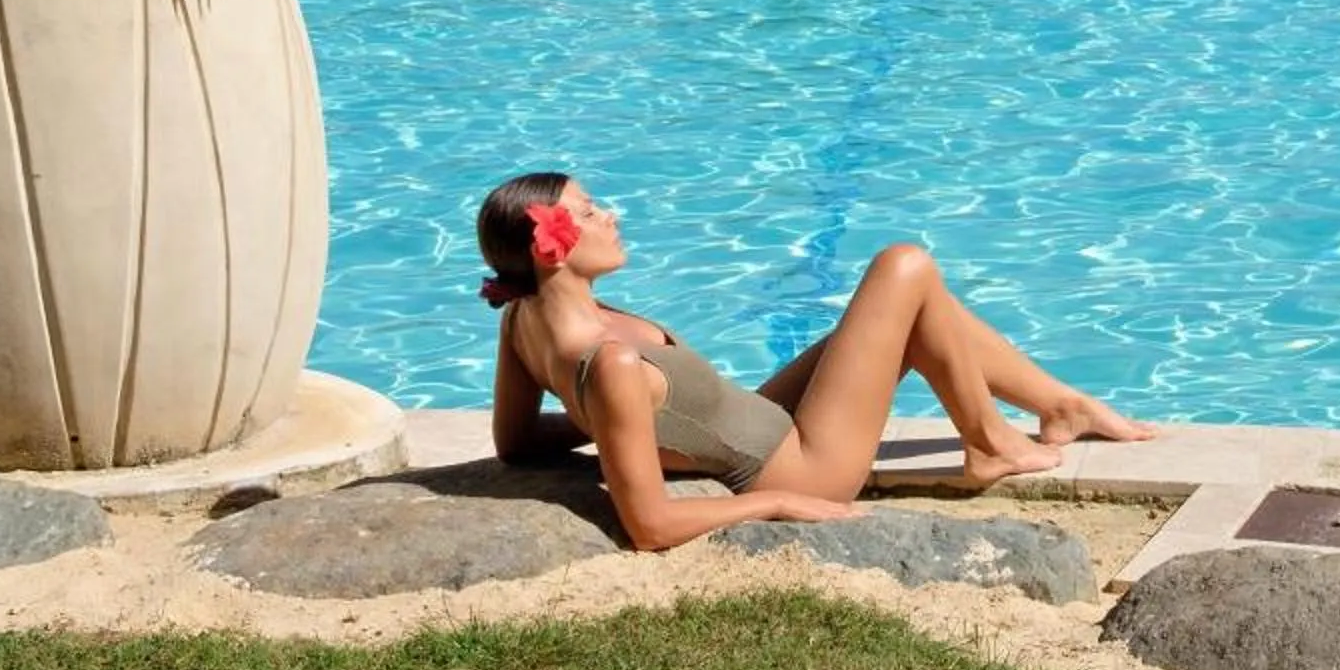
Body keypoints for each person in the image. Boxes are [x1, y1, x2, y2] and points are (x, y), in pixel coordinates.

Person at [478, 172, 1157, 552]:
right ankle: (989, 445)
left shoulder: (524, 319)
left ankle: (1060, 407)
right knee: (905, 267)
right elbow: (650, 527)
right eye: (591, 212)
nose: (611, 214)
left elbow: (513, 444)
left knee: (900, 304)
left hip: (761, 417)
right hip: (802, 464)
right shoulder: (612, 364)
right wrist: (774, 499)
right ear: (551, 250)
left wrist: (608, 422)